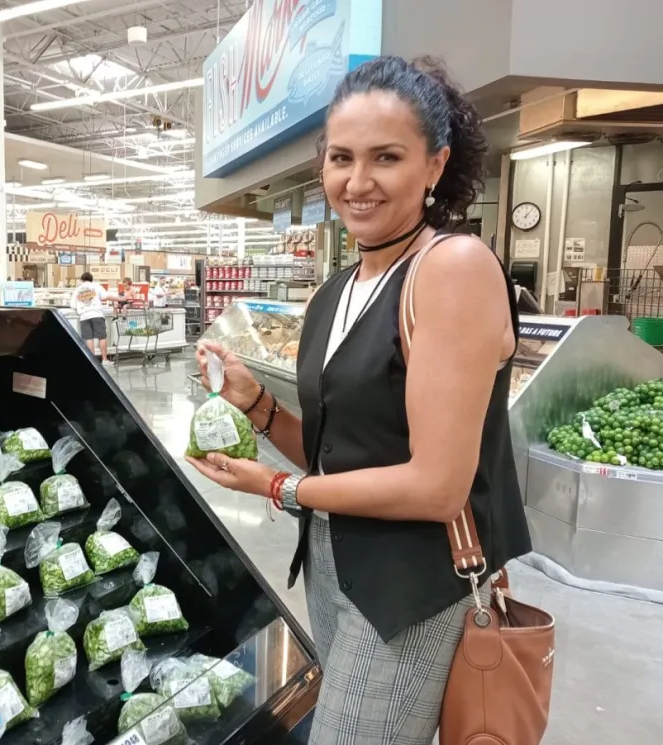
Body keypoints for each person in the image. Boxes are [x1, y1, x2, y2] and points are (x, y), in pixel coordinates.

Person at [187, 56, 532, 745]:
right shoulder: (334, 291)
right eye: (341, 157)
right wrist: (257, 408)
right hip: (333, 562)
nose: (358, 180)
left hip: (410, 587)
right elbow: (334, 454)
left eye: (387, 157)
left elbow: (437, 487)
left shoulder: (451, 270)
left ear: (435, 166)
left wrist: (280, 487)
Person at [71, 271, 124, 366]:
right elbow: (106, 296)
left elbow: (72, 305)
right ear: (91, 280)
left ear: (82, 280)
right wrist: (121, 299)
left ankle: (93, 361)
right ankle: (104, 360)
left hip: (84, 316)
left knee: (89, 338)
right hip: (96, 314)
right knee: (101, 337)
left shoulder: (77, 289)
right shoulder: (96, 286)